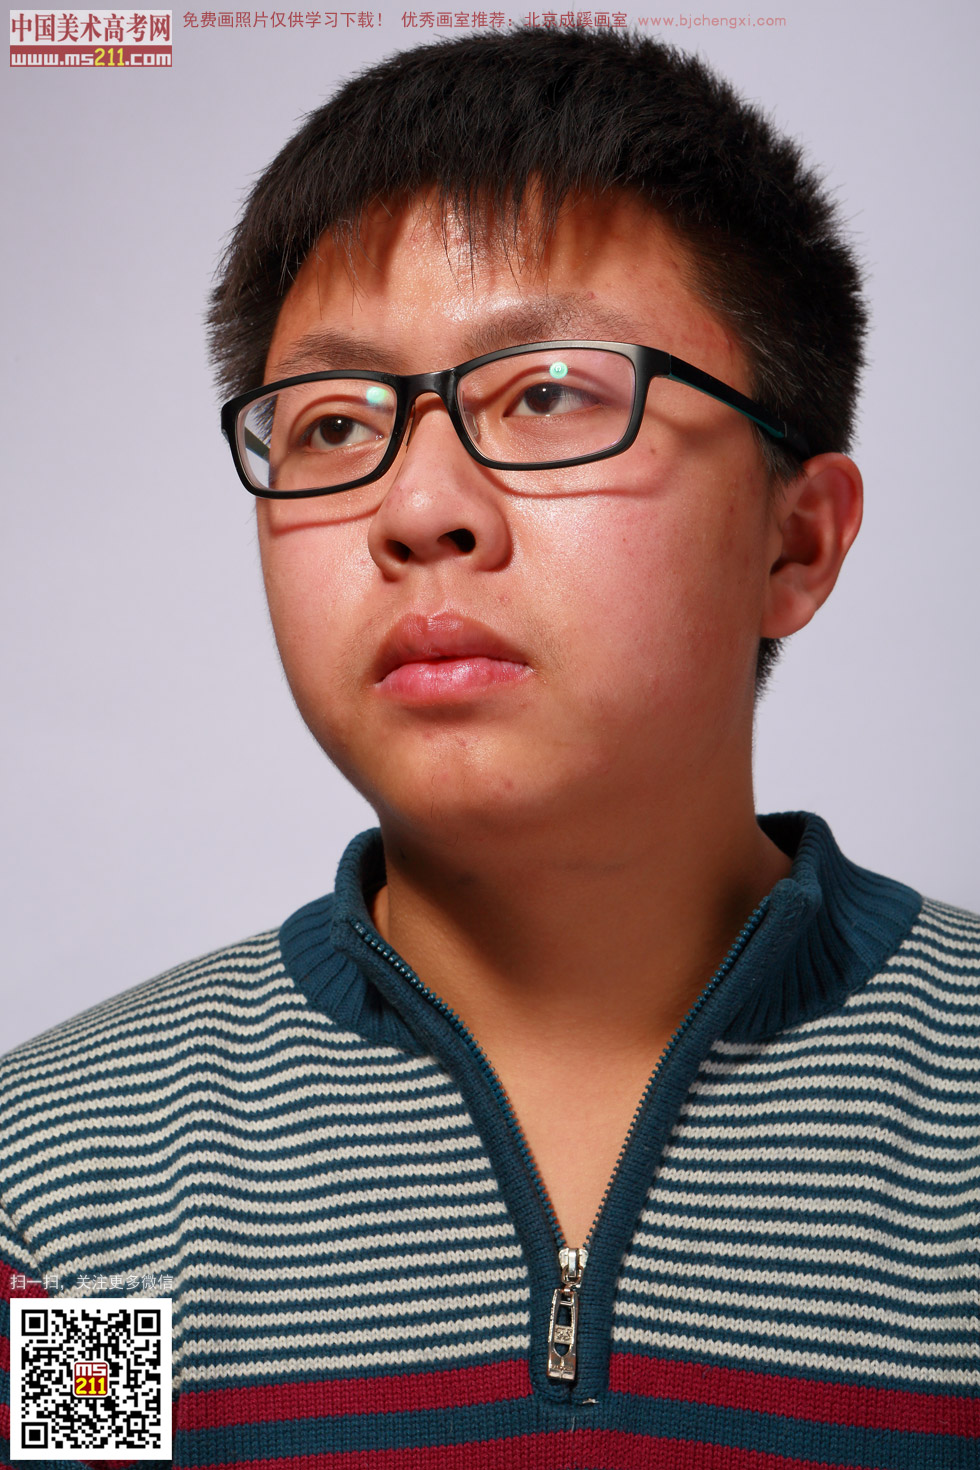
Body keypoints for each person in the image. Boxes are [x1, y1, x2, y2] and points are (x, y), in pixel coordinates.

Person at [2, 26, 978, 1469]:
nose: (419, 509)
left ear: (797, 540)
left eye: (549, 394)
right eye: (335, 424)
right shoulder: (73, 1200)